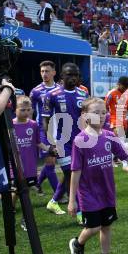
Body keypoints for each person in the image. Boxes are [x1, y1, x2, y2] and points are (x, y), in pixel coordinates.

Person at [68, 97, 128, 254]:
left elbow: (125, 155)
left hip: (107, 191)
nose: (101, 116)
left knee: (106, 226)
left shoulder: (109, 136)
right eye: (96, 112)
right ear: (85, 115)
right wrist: (71, 201)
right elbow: (75, 172)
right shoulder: (80, 140)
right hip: (89, 194)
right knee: (94, 227)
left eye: (104, 112)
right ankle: (78, 243)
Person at [43, 63, 89, 220]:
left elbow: (86, 117)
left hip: (80, 141)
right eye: (69, 75)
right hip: (61, 142)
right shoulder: (52, 95)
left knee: (73, 172)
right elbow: (46, 120)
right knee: (71, 174)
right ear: (62, 76)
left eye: (75, 75)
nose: (73, 78)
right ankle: (79, 212)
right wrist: (51, 143)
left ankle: (54, 200)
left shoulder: (83, 94)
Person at [13, 96, 54, 229]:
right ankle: (11, 209)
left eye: (28, 110)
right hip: (15, 166)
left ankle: (25, 220)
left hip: (30, 166)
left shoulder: (33, 124)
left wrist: (49, 149)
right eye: (23, 110)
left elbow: (38, 142)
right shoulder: (10, 125)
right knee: (17, 191)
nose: (26, 112)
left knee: (25, 192)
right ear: (15, 110)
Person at [29, 61, 60, 194]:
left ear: (54, 72)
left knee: (51, 161)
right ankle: (59, 195)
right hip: (44, 129)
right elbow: (29, 110)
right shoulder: (36, 91)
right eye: (42, 71)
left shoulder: (60, 89)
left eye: (47, 71)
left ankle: (37, 184)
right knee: (50, 163)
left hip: (59, 130)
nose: (44, 74)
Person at [105, 76, 128, 172]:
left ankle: (109, 160)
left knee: (117, 142)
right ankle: (125, 164)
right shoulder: (111, 93)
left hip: (124, 121)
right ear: (119, 84)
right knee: (120, 142)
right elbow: (105, 107)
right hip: (115, 120)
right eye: (124, 86)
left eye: (127, 87)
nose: (125, 89)